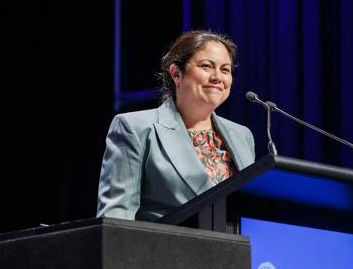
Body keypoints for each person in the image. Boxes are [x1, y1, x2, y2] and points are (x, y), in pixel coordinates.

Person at [97, 30, 255, 221]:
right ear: (176, 73)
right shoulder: (135, 128)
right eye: (207, 66)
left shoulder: (241, 136)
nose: (217, 77)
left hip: (233, 249)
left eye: (225, 70)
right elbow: (116, 217)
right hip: (163, 248)